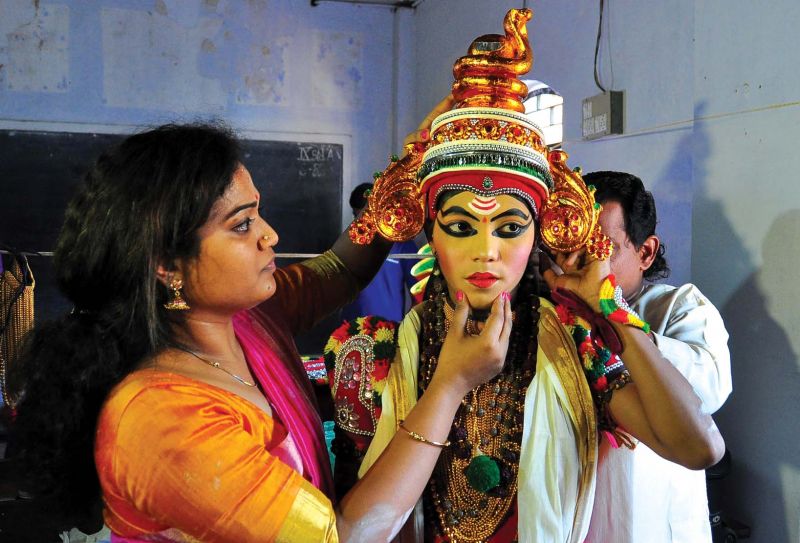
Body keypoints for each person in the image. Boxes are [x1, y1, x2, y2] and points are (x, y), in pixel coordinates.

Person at [10, 110, 524, 541]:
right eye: (242, 224)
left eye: (259, 214)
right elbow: (340, 536)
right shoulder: (162, 421)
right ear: (165, 264)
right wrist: (451, 385)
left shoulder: (250, 318)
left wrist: (419, 158)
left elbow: (343, 267)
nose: (270, 235)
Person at [325, 8, 724, 542]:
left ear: (540, 234)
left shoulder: (573, 345)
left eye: (510, 227)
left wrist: (609, 309)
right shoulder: (375, 356)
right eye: (461, 226)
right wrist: (448, 384)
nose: (487, 252)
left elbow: (698, 448)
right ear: (429, 234)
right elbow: (352, 531)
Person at [582, 171, 732, 543]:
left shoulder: (680, 308)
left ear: (645, 252)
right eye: (575, 247)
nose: (585, 264)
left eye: (604, 250)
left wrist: (613, 317)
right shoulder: (555, 314)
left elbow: (710, 390)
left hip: (656, 522)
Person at [340, 183, 418, 323]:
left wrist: (408, 328)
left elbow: (418, 292)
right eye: (356, 217)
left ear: (380, 210)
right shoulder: (349, 242)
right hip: (351, 328)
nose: (360, 223)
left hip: (388, 330)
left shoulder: (401, 245)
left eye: (366, 217)